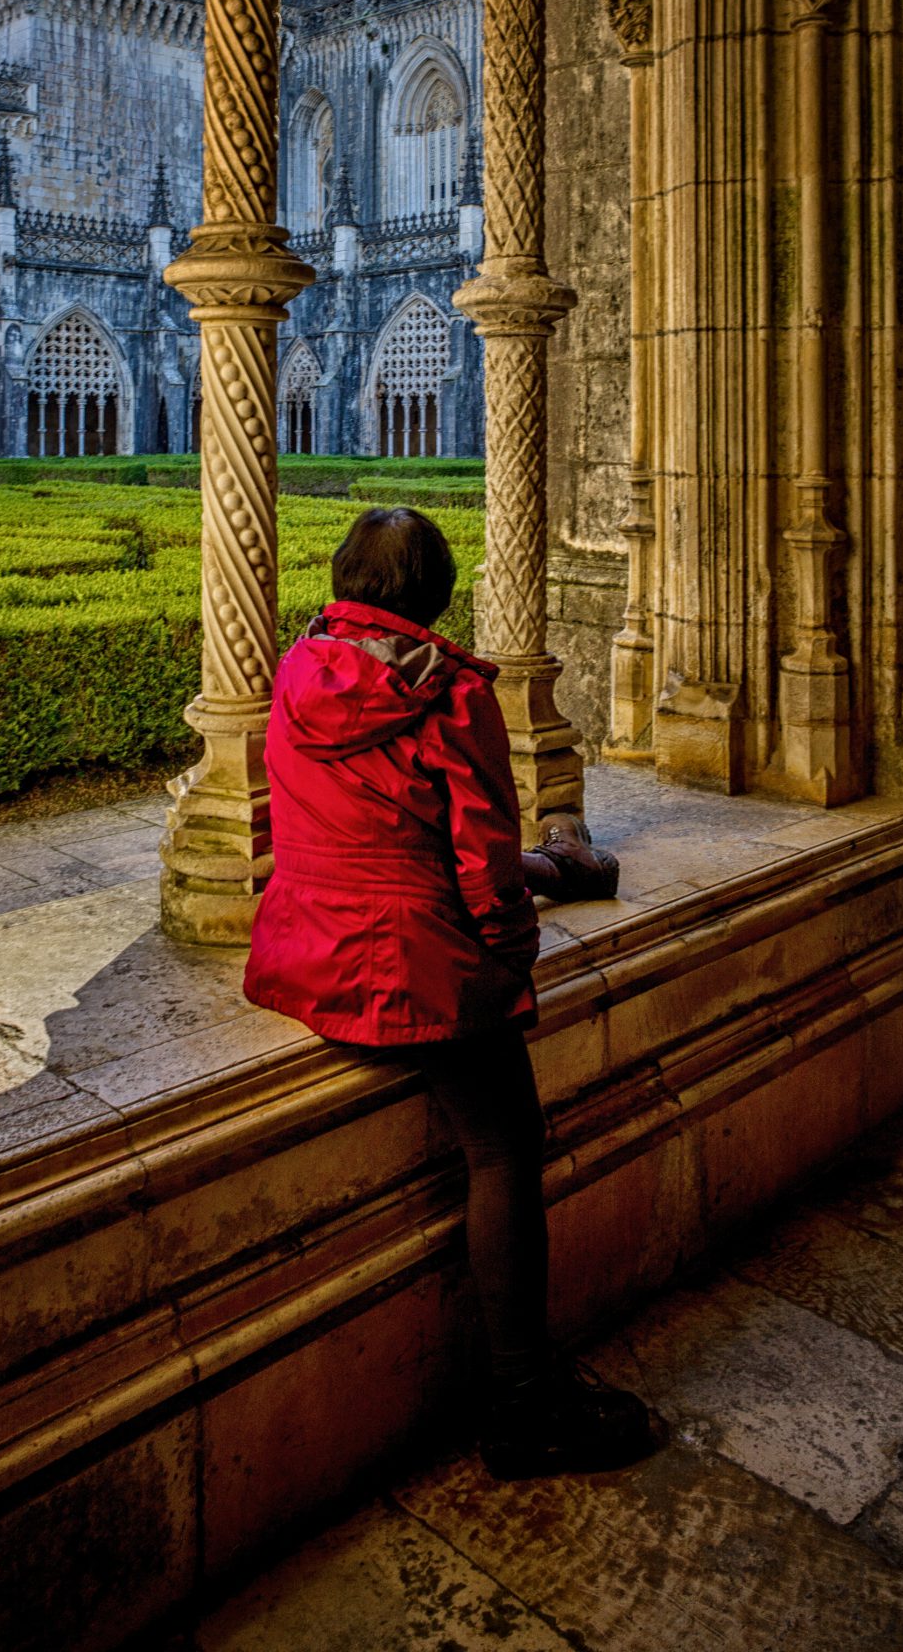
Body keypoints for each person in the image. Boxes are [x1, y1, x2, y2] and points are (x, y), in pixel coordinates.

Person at [244, 505, 657, 1479]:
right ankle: (522, 1402)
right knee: (505, 1142)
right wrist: (510, 961)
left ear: (344, 580)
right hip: (403, 964)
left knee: (464, 853)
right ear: (435, 592)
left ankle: (567, 861)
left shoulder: (297, 667)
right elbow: (476, 861)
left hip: (303, 945)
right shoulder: (449, 695)